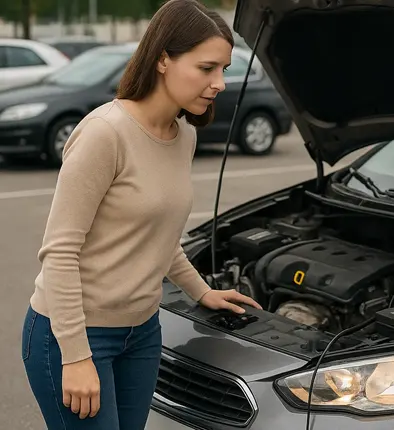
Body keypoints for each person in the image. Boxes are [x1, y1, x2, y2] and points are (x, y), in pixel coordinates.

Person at [20, 1, 262, 428]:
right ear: (163, 59)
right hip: (73, 335)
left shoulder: (183, 135)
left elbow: (160, 237)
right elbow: (59, 252)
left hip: (143, 333)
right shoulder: (104, 133)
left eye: (223, 70)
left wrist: (201, 291)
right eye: (207, 68)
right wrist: (76, 357)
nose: (219, 83)